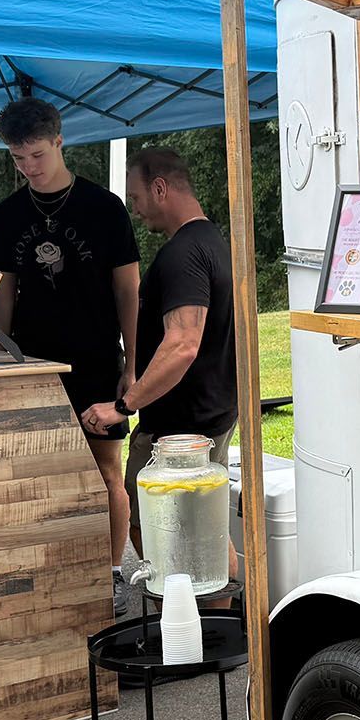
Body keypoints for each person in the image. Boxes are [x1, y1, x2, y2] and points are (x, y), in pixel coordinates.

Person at [0, 99, 140, 584]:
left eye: (37, 155)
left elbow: (128, 291)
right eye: (18, 158)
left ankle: (112, 573)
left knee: (106, 471)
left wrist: (133, 365)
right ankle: (53, 573)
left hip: (96, 359)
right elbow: (1, 294)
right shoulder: (7, 215)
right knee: (38, 470)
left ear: (59, 141)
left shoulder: (104, 208)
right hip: (31, 362)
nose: (29, 167)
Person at [79, 148, 239, 568]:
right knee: (206, 532)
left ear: (160, 188)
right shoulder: (213, 241)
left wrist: (121, 407)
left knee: (162, 529)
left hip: (182, 428)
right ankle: (214, 608)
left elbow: (182, 345)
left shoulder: (183, 254)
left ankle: (183, 604)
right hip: (212, 413)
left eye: (135, 197)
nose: (134, 209)